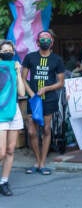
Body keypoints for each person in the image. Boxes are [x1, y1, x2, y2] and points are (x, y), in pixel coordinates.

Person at [21, 30, 65, 175]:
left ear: (51, 42)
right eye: (42, 38)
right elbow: (23, 78)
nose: (45, 41)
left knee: (46, 130)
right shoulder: (30, 57)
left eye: (48, 38)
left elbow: (60, 83)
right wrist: (31, 93)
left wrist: (46, 88)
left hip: (49, 99)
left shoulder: (57, 60)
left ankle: (42, 163)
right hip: (33, 100)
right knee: (32, 131)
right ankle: (37, 160)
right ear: (37, 42)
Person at [0, 41, 25, 196]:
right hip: (1, 113)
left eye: (10, 50)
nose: (7, 52)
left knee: (10, 150)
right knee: (1, 152)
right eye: (4, 50)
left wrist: (18, 73)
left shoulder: (14, 67)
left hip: (14, 112)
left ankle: (4, 181)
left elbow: (22, 93)